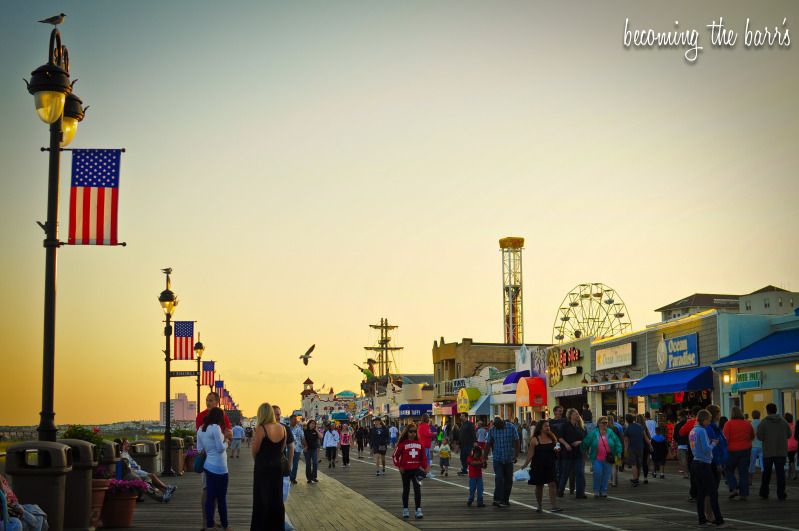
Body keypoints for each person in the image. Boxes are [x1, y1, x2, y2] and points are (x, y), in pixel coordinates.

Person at [196, 392, 233, 529]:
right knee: (212, 494)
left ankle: (210, 523)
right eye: (207, 400)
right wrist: (226, 441)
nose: (208, 403)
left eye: (210, 400)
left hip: (208, 464)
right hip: (217, 465)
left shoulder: (204, 427)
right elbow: (220, 446)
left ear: (217, 401)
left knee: (212, 495)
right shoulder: (208, 422)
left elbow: (199, 448)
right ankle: (210, 523)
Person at [251, 403, 288, 531]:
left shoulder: (261, 428)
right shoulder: (282, 428)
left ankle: (261, 527)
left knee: (262, 497)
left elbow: (255, 450)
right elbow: (282, 448)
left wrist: (259, 460)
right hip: (277, 466)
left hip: (263, 466)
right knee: (276, 497)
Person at [689, 409, 725, 527]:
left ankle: (702, 519)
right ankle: (719, 520)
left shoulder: (693, 431)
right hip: (704, 463)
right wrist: (714, 443)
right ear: (704, 420)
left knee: (701, 493)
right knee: (713, 492)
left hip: (695, 462)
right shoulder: (702, 431)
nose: (710, 422)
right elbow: (706, 448)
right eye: (709, 420)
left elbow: (695, 446)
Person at [520, 420, 562, 513]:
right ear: (540, 428)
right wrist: (525, 464)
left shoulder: (552, 437)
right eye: (546, 426)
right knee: (539, 486)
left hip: (550, 465)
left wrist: (557, 450)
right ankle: (539, 505)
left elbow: (556, 449)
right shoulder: (535, 439)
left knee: (552, 484)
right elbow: (530, 453)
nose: (548, 428)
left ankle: (554, 505)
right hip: (538, 466)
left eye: (548, 426)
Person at [392, 423, 428, 519]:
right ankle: (405, 509)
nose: (412, 434)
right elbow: (395, 456)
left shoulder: (420, 445)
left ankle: (418, 510)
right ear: (407, 432)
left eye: (414, 432)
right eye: (410, 431)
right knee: (406, 490)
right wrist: (399, 466)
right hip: (405, 471)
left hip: (416, 470)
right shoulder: (402, 444)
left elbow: (424, 458)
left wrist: (426, 468)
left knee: (417, 490)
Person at [757, 402, 791, 501]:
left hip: (768, 452)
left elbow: (760, 436)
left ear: (767, 411)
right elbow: (789, 434)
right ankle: (781, 493)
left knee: (766, 474)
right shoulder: (783, 422)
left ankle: (764, 492)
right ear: (776, 410)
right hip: (781, 452)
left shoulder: (763, 422)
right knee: (780, 474)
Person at [583, 416, 622, 497]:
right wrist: (583, 450)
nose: (605, 424)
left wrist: (618, 453)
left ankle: (603, 490)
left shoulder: (611, 432)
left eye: (606, 423)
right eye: (603, 422)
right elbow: (586, 441)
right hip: (597, 458)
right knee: (598, 473)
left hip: (608, 458)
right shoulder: (594, 433)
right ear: (598, 423)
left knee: (606, 475)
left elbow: (617, 442)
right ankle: (596, 490)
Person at [485, 416, 520, 508]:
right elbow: (488, 443)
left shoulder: (511, 427)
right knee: (499, 478)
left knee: (508, 480)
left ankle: (505, 499)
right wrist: (484, 458)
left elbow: (516, 441)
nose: (496, 427)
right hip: (498, 458)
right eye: (495, 426)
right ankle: (497, 499)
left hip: (508, 458)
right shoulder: (492, 430)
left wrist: (516, 455)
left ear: (502, 422)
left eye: (498, 425)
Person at [723, 405, 754, 500]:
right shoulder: (747, 424)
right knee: (743, 472)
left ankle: (734, 488)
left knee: (728, 470)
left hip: (732, 451)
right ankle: (744, 494)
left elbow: (725, 439)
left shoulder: (728, 424)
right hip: (745, 450)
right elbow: (752, 436)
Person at [557, 408, 587, 498]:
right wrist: (566, 444)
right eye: (575, 414)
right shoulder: (565, 425)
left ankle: (580, 493)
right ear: (570, 415)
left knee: (580, 473)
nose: (577, 415)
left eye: (578, 414)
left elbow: (585, 439)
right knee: (565, 473)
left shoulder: (580, 427)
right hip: (568, 453)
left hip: (579, 453)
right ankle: (560, 491)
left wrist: (580, 442)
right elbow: (560, 437)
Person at [624, 413, 646, 487]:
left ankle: (635, 479)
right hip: (640, 447)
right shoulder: (639, 426)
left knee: (634, 464)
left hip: (632, 448)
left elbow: (626, 441)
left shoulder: (628, 429)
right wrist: (650, 445)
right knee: (639, 464)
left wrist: (625, 451)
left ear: (626, 420)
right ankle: (637, 478)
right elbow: (644, 436)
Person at [288, 415, 305, 485]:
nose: (295, 421)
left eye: (296, 419)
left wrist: (305, 446)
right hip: (288, 449)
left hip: (297, 448)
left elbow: (302, 438)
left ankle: (293, 478)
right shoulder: (286, 428)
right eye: (294, 419)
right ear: (290, 420)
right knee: (288, 464)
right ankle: (288, 477)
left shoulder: (299, 428)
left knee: (295, 465)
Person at [674, 411, 691, 479]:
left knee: (683, 460)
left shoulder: (677, 426)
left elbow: (675, 436)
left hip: (681, 444)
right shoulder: (689, 424)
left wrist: (678, 441)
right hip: (690, 444)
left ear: (680, 417)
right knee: (690, 459)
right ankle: (691, 472)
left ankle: (686, 473)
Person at [749, 409, 763, 482]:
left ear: (752, 415)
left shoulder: (750, 424)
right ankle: (764, 478)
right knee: (762, 462)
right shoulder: (762, 423)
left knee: (752, 463)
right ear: (759, 415)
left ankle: (750, 479)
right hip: (761, 445)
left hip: (753, 445)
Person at [786, 413, 797, 480]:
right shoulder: (794, 426)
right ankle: (789, 474)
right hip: (795, 445)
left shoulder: (785, 427)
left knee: (791, 460)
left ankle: (793, 474)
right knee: (791, 459)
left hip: (788, 445)